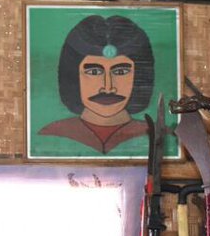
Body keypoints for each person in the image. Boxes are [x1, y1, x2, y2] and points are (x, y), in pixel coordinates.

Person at [37, 14, 155, 154]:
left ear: (139, 76)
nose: (108, 87)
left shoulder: (155, 135)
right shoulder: (52, 135)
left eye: (121, 71)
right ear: (74, 76)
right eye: (94, 72)